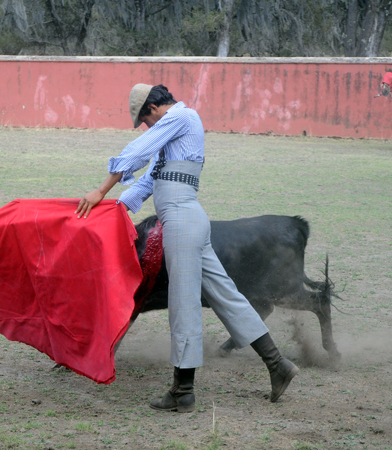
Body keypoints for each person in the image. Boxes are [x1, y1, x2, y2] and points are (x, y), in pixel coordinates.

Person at [76, 84, 299, 413]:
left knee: (184, 307)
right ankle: (278, 365)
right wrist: (113, 209)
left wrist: (100, 190)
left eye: (144, 119)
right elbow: (147, 181)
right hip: (186, 223)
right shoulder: (173, 137)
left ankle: (183, 391)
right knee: (228, 298)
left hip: (182, 224)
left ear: (154, 107)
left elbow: (139, 149)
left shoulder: (183, 117)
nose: (146, 126)